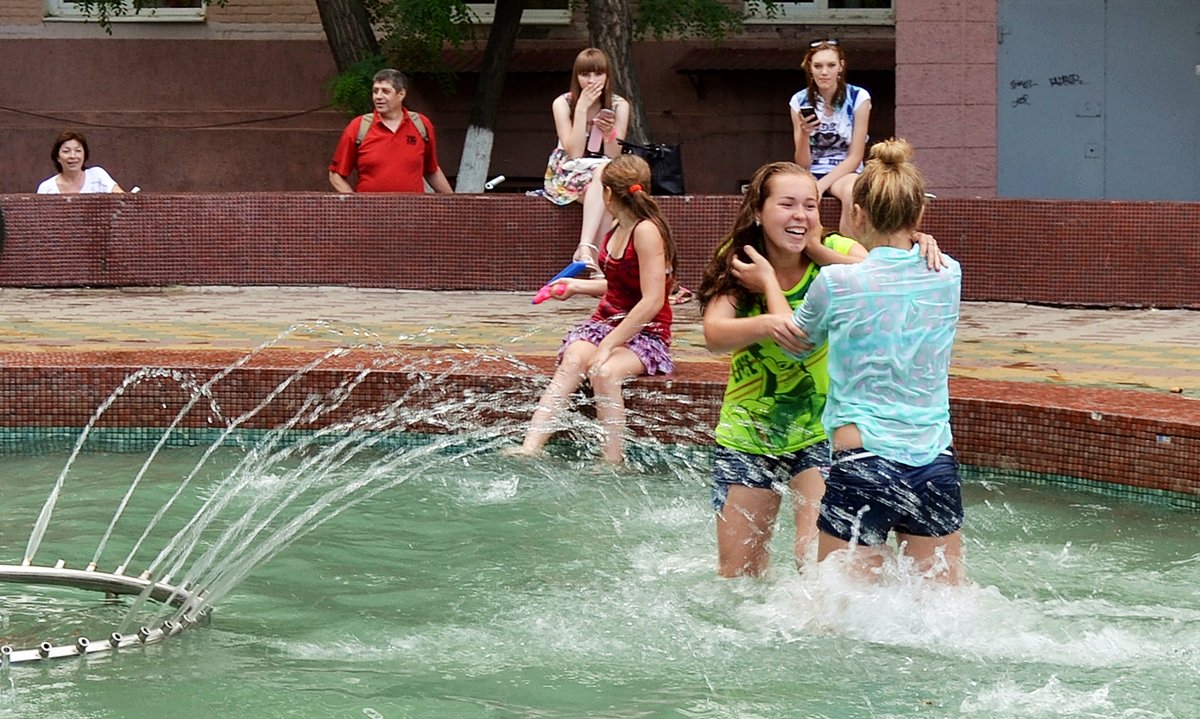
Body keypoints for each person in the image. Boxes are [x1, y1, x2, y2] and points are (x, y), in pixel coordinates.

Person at [781, 138, 965, 586]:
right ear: (918, 216)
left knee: (839, 615)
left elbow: (798, 344)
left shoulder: (836, 281)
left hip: (862, 462)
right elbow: (899, 261)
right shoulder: (948, 273)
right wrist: (920, 238)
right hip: (934, 464)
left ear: (857, 214)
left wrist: (769, 281)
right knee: (944, 612)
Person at [696, 161, 866, 578]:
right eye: (787, 204)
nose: (800, 215)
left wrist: (811, 253)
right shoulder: (739, 260)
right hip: (749, 431)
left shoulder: (840, 253)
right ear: (758, 210)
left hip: (821, 431)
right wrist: (767, 322)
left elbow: (879, 277)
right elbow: (716, 334)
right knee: (739, 575)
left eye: (810, 205)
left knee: (819, 569)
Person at [509, 154, 675, 464]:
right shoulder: (616, 227)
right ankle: (529, 447)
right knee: (574, 359)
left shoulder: (647, 232)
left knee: (605, 371)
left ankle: (612, 461)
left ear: (608, 194)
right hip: (607, 323)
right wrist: (575, 287)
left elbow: (652, 300)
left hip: (645, 333)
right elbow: (618, 284)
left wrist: (609, 346)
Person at [536, 48, 630, 276]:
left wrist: (609, 133)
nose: (592, 81)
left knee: (607, 181)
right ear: (576, 77)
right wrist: (581, 110)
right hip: (566, 172)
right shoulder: (563, 103)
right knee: (608, 188)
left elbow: (613, 154)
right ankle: (591, 255)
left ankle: (589, 256)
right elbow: (575, 152)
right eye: (585, 75)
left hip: (602, 170)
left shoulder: (619, 105)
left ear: (607, 76)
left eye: (598, 74)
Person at [788, 38, 871, 238]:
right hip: (810, 170)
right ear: (810, 68)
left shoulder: (858, 97)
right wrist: (805, 134)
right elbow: (802, 161)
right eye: (818, 66)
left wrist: (821, 186)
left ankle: (850, 257)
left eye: (831, 65)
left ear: (841, 66)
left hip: (845, 170)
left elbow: (856, 156)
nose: (824, 72)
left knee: (852, 193)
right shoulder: (799, 101)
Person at [328, 69, 453, 194]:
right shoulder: (359, 126)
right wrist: (355, 204)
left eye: (385, 91)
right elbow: (335, 175)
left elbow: (431, 171)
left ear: (401, 94)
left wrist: (455, 203)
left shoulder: (421, 124)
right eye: (375, 91)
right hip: (371, 211)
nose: (378, 97)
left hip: (412, 211)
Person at [37, 130, 125, 194]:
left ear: (84, 155)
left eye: (78, 151)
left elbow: (121, 198)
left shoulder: (98, 175)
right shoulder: (46, 188)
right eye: (66, 151)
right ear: (57, 157)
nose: (73, 156)